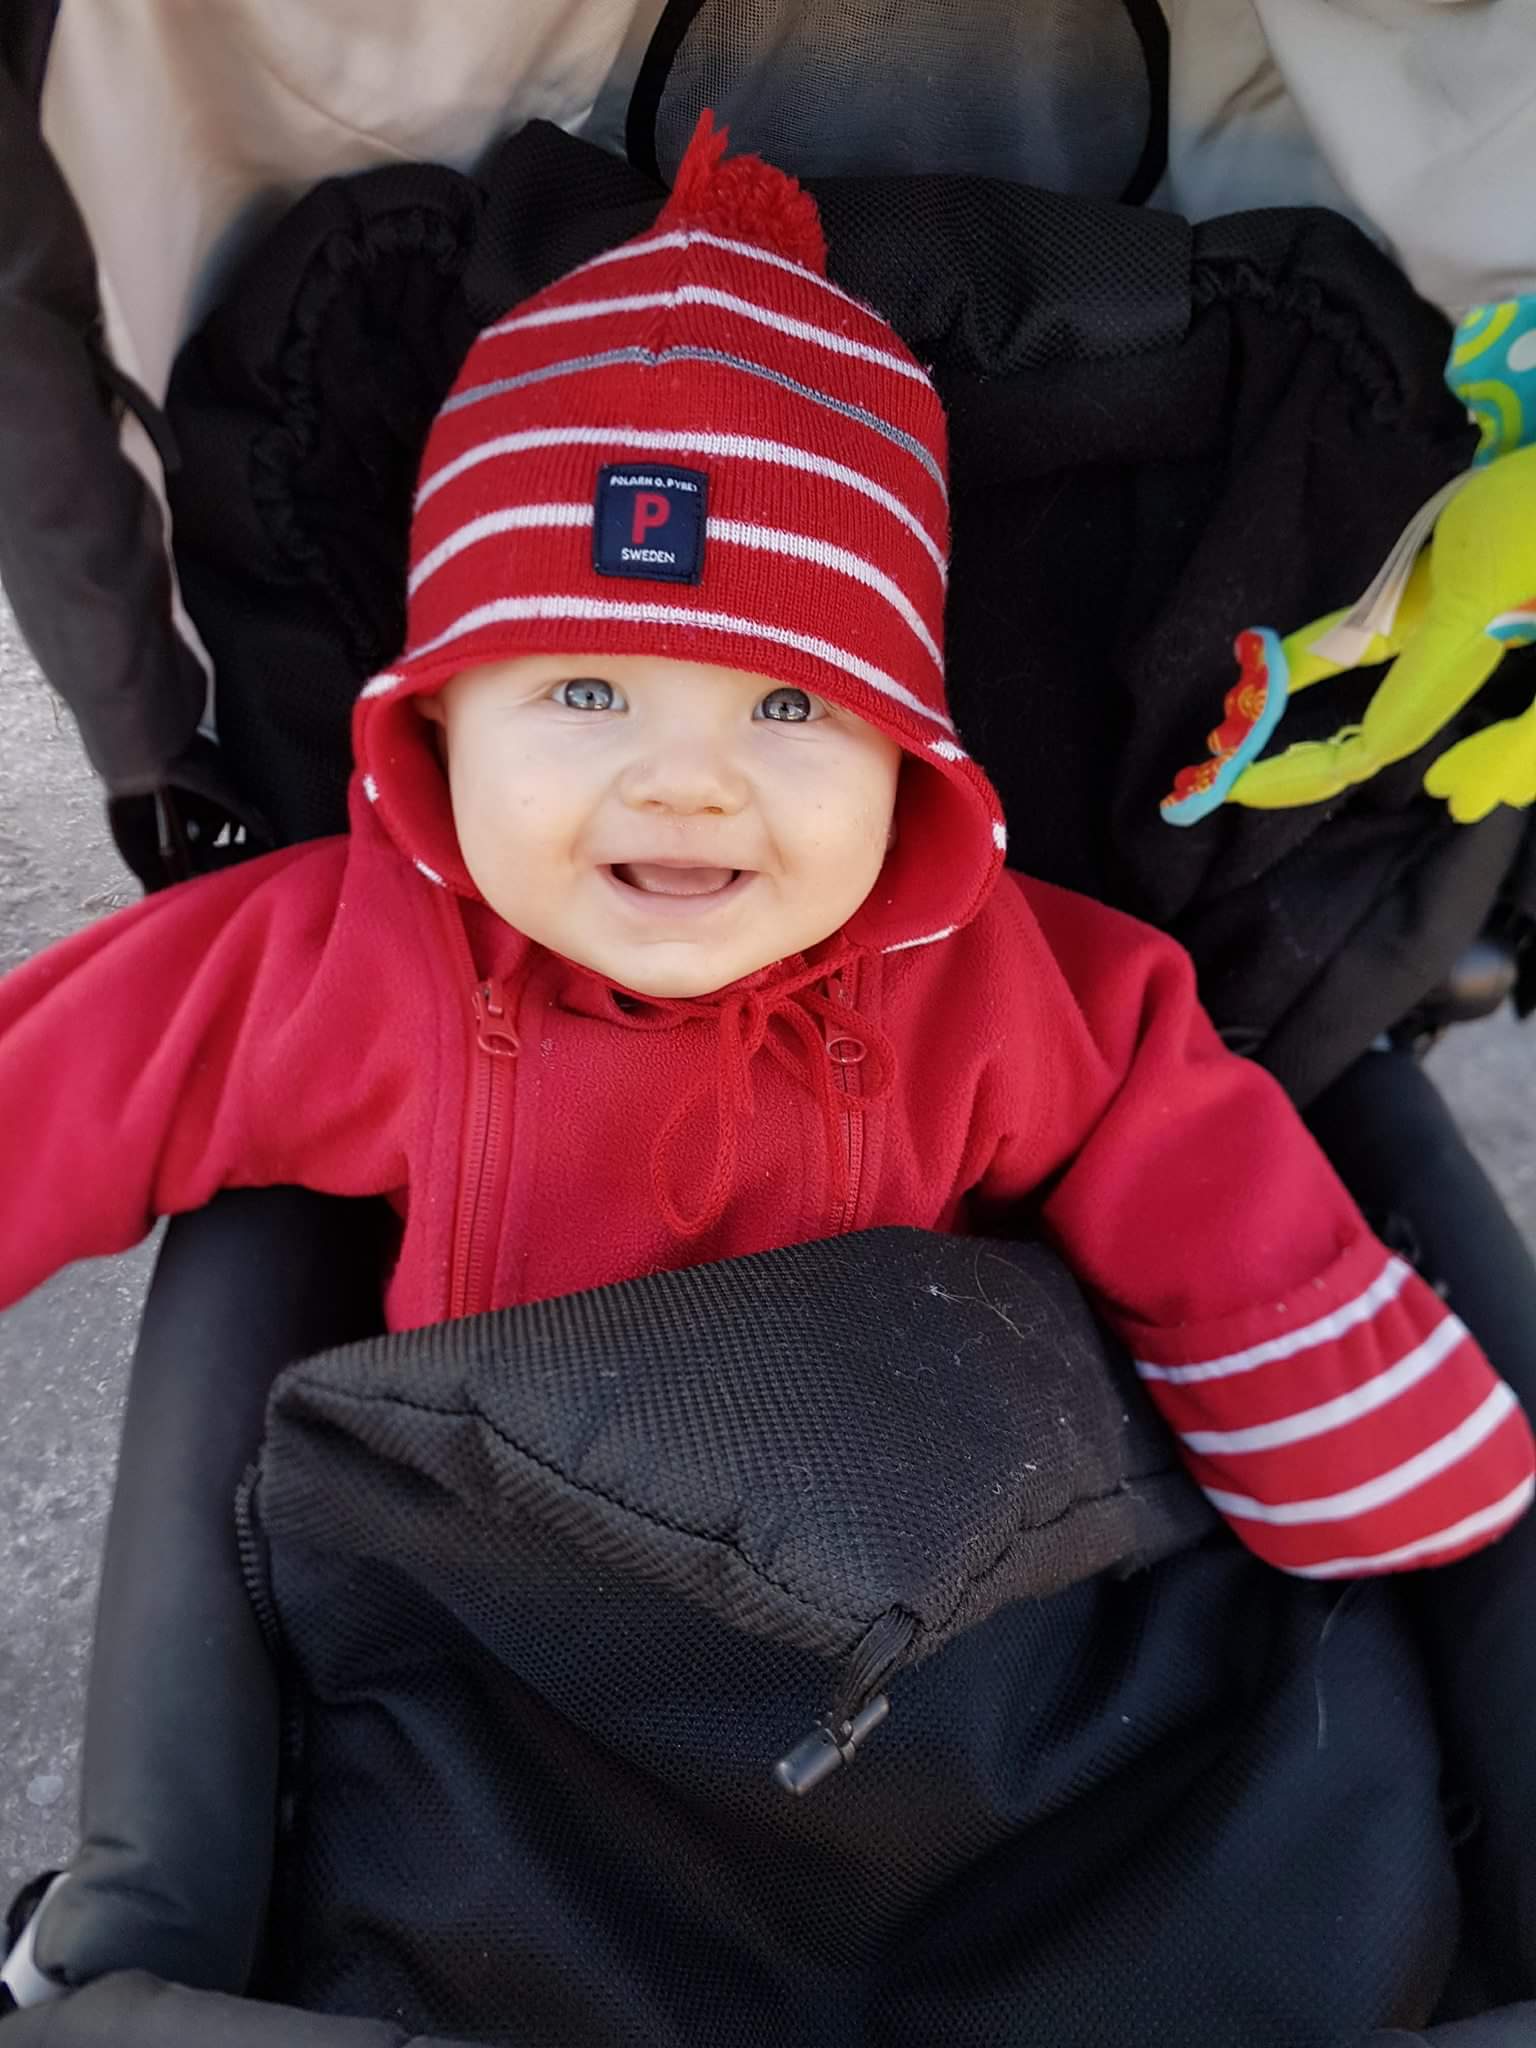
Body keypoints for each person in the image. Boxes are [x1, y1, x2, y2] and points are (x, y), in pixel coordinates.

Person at [0, 113, 1530, 1581]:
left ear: (909, 754)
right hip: (508, 1567)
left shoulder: (989, 977)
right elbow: (89, 1071)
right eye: (585, 692)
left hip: (910, 1561)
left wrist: (1326, 1411)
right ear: (441, 720)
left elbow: (1182, 1145)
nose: (688, 784)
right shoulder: (354, 954)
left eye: (791, 704)